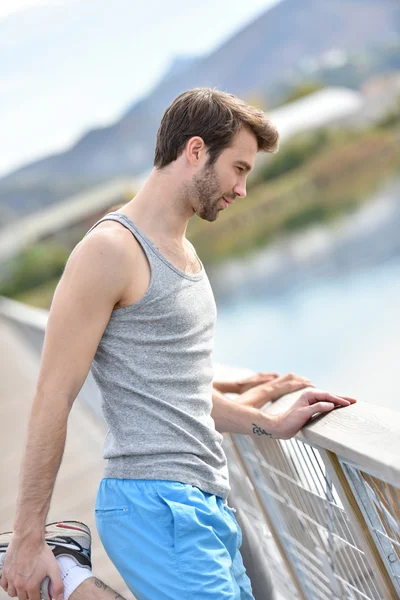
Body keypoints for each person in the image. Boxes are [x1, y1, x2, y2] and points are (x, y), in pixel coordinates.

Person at [0, 88, 356, 600]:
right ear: (194, 151)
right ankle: (64, 572)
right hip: (155, 504)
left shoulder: (185, 253)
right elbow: (52, 396)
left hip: (206, 501)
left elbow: (181, 394)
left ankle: (72, 575)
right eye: (238, 168)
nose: (243, 188)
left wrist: (272, 424)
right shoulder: (109, 250)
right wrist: (27, 536)